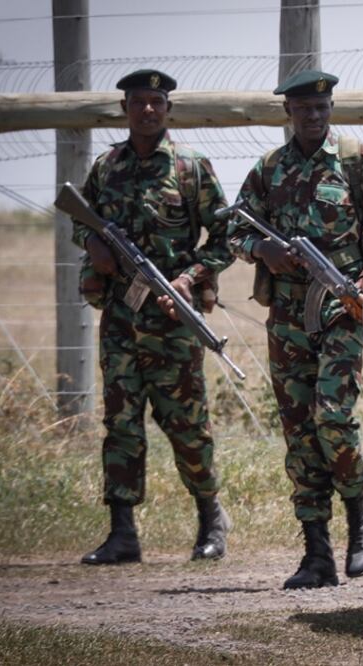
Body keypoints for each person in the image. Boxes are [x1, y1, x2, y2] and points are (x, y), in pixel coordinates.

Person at [228, 69, 363, 589]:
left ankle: (359, 518)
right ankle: (316, 553)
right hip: (286, 317)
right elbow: (233, 229)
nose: (314, 116)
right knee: (299, 431)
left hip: (342, 310)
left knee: (332, 415)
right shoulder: (269, 169)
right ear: (289, 113)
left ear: (331, 109)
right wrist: (263, 250)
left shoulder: (357, 160)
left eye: (321, 108)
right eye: (304, 109)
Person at [75, 69, 234, 565]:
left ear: (168, 109)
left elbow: (226, 239)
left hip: (171, 319)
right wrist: (93, 245)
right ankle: (122, 533)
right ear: (125, 109)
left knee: (187, 424)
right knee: (121, 423)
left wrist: (189, 278)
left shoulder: (191, 168)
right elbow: (81, 222)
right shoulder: (107, 168)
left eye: (157, 102)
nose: (148, 110)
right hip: (121, 318)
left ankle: (211, 522)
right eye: (139, 102)